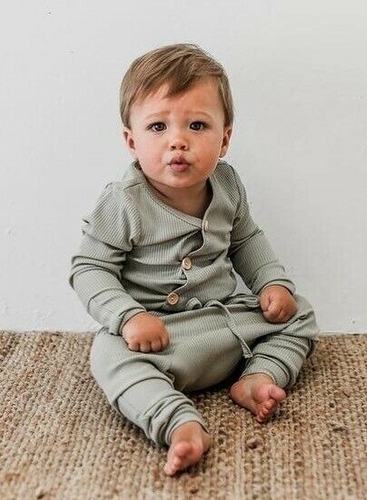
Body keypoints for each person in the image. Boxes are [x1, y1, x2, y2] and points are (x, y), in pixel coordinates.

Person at [69, 43, 319, 476]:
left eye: (197, 125)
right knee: (107, 355)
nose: (178, 141)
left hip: (225, 325)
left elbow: (246, 240)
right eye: (158, 126)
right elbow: (89, 269)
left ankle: (258, 376)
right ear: (131, 141)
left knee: (299, 312)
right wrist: (128, 317)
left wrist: (271, 284)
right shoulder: (124, 201)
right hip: (158, 339)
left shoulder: (227, 185)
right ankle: (178, 422)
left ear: (225, 139)